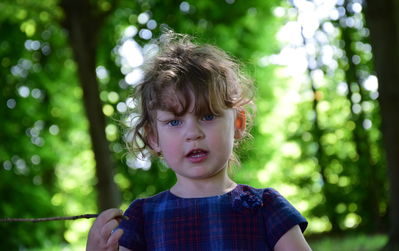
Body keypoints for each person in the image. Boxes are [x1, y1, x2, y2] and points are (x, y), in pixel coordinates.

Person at [86, 32, 311, 251]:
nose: (193, 133)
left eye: (208, 116)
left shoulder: (266, 208)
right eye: (175, 122)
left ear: (237, 124)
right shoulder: (141, 218)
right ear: (153, 138)